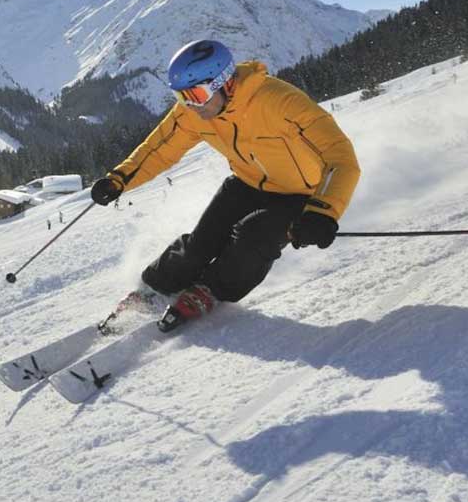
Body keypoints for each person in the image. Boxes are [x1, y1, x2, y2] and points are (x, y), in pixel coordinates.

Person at [90, 39, 360, 325]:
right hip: (246, 183)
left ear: (225, 83)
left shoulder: (280, 102)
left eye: (195, 94)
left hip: (300, 194)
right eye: (181, 97)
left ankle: (212, 289)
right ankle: (157, 286)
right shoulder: (195, 111)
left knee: (251, 239)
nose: (190, 105)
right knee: (200, 243)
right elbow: (159, 148)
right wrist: (119, 179)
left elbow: (340, 157)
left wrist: (323, 212)